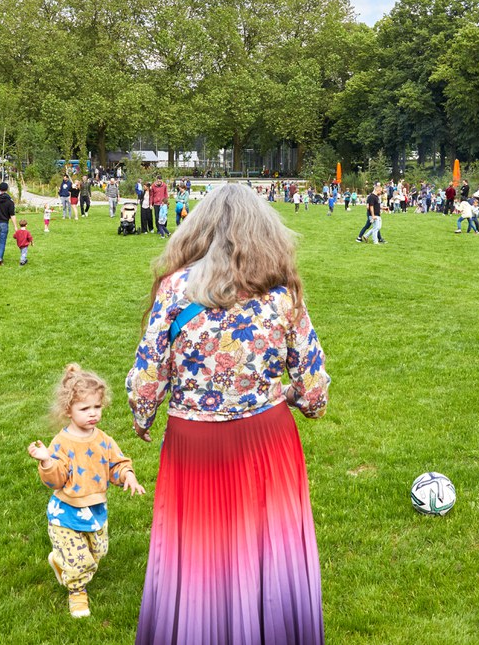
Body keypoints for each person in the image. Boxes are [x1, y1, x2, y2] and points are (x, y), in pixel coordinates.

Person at [126, 184, 330, 644]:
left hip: (194, 446)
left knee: (199, 557)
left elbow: (144, 384)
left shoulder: (175, 289)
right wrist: (290, 396)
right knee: (268, 553)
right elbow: (314, 391)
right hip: (268, 442)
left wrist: (143, 419)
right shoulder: (282, 296)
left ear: (196, 229)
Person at [29, 364, 145, 619]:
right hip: (66, 513)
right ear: (68, 411)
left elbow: (117, 463)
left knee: (98, 553)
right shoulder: (61, 442)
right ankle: (77, 592)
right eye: (85, 409)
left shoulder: (102, 439)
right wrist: (47, 461)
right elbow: (55, 480)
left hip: (95, 511)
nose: (93, 414)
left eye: (97, 407)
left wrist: (128, 475)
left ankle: (63, 564)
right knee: (80, 562)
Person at [0, 181, 18, 266]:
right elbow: (12, 215)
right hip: (4, 223)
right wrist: (15, 226)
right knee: (2, 242)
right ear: (7, 189)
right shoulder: (10, 201)